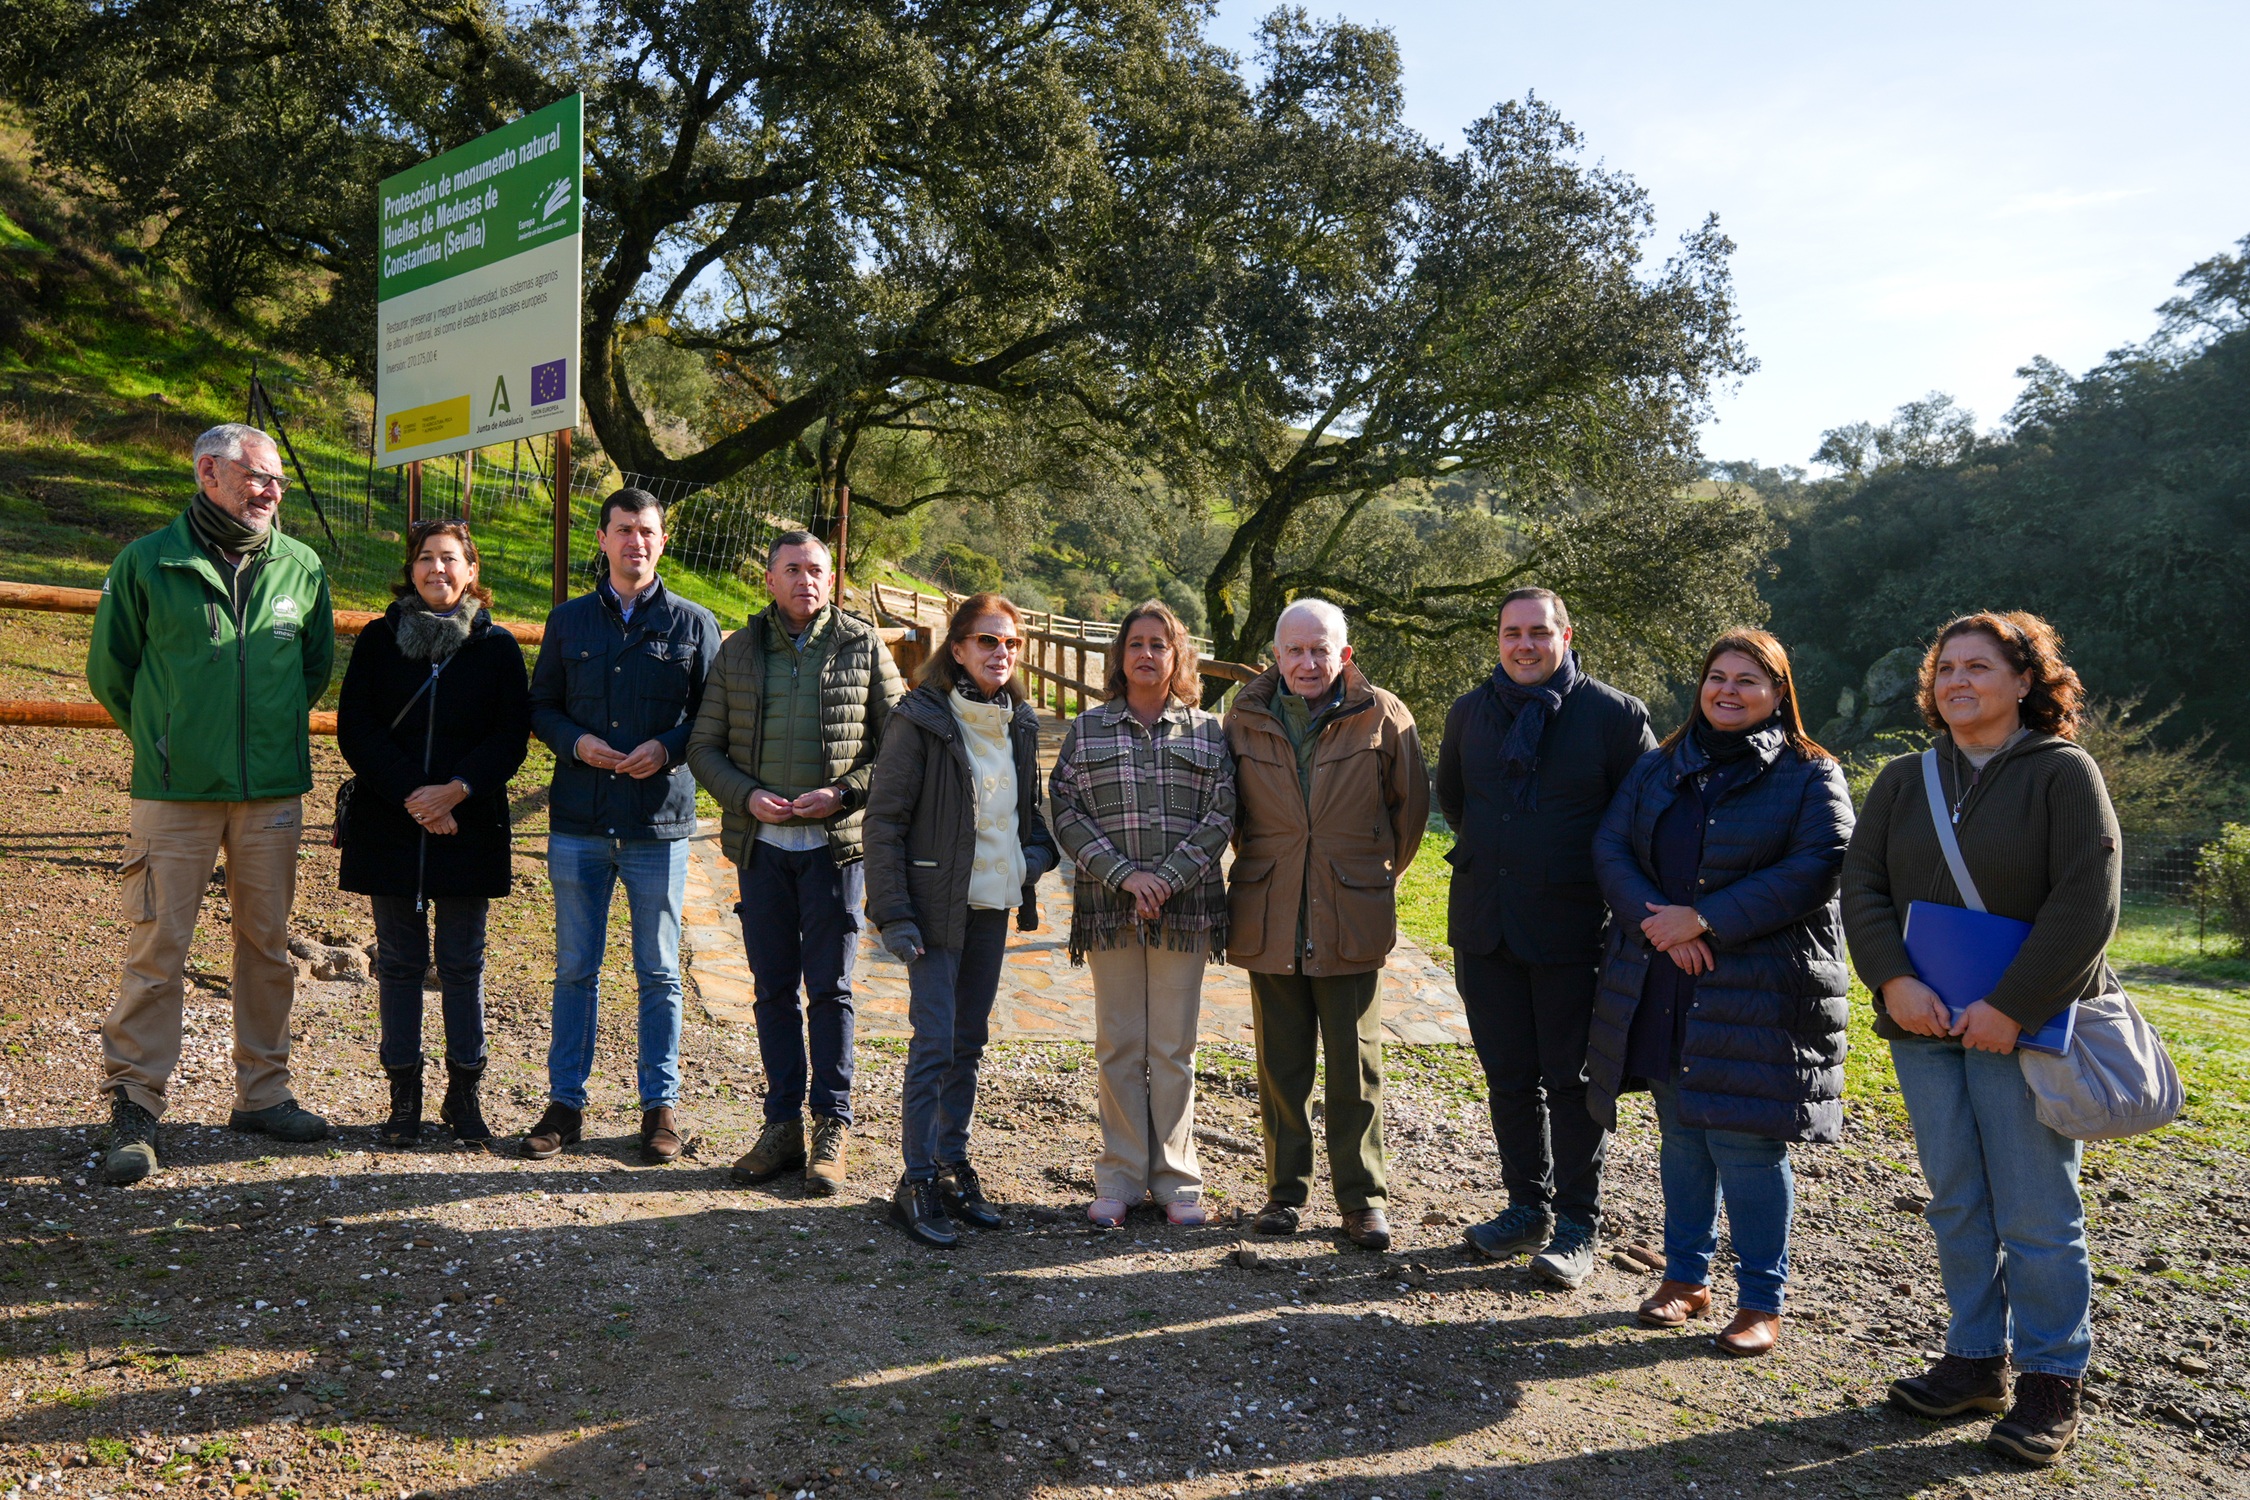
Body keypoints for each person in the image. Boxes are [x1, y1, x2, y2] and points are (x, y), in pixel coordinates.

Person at [1842, 612, 2118, 1468]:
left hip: (2022, 1031)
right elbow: (1864, 885)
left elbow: (2088, 901)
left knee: (2038, 1212)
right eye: (1946, 669)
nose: (1957, 681)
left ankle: (2049, 1380)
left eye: (1980, 667)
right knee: (1956, 1200)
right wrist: (1894, 980)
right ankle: (1972, 1361)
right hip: (1924, 1026)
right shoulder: (1901, 777)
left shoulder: (2064, 775)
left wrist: (2012, 1005)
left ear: (2025, 680)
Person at [1583, 630, 1854, 1357]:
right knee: (1682, 1135)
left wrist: (1705, 919)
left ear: (1779, 694)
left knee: (1747, 1146)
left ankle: (1762, 1301)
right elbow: (1611, 848)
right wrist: (1662, 927)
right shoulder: (1660, 766)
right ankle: (1685, 1279)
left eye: (1747, 681)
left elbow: (1819, 865)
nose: (1727, 691)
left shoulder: (1811, 774)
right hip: (1665, 977)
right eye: (1716, 677)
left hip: (1758, 991)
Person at [87, 422, 338, 1184]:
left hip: (270, 797)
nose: (271, 492)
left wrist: (261, 745)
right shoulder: (148, 563)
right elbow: (112, 672)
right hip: (176, 796)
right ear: (209, 474)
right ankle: (135, 1106)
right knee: (157, 951)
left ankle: (262, 1095)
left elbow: (313, 671)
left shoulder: (301, 566)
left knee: (266, 948)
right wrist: (170, 741)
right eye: (259, 476)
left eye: (279, 483)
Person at [1436, 587, 1654, 1287]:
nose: (1523, 645)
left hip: (1572, 929)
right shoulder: (1471, 712)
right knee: (1507, 1078)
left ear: (1565, 635)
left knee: (1571, 1080)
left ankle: (1578, 1224)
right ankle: (1524, 1207)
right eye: (1511, 633)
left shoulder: (1614, 717)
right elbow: (1457, 802)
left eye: (1537, 632)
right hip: (1484, 923)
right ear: (1497, 639)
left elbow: (1644, 818)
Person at [687, 530, 904, 1196]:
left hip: (835, 851)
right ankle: (781, 1125)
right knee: (772, 989)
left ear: (831, 580)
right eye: (792, 569)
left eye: (816, 570)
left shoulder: (862, 645)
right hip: (764, 850)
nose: (806, 580)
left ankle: (831, 1126)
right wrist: (747, 796)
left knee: (831, 989)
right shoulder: (741, 652)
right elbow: (704, 747)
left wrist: (842, 793)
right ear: (770, 580)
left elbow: (897, 740)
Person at [523, 489, 720, 1164]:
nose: (636, 541)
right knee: (576, 968)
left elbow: (712, 719)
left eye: (648, 531)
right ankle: (565, 1104)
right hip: (579, 821)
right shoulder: (569, 622)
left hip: (656, 824)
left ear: (662, 542)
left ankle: (658, 1108)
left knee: (659, 971)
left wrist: (667, 747)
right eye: (624, 530)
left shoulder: (695, 625)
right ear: (602, 539)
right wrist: (575, 744)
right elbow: (541, 705)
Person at [1225, 598, 1427, 1251]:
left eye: (1321, 650)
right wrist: (1271, 865)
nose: (1308, 662)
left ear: (1344, 654)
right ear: (1276, 656)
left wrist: (1370, 874)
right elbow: (1227, 811)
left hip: (1350, 912)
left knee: (1354, 1065)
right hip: (1270, 907)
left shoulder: (1385, 715)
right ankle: (1285, 1195)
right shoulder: (1244, 718)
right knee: (1280, 1066)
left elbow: (1411, 812)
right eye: (1295, 650)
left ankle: (1362, 1200)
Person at [864, 593, 1057, 1247]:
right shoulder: (920, 719)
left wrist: (1028, 862)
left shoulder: (1020, 723)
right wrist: (893, 913)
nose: (1000, 653)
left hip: (991, 909)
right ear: (958, 648)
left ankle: (951, 1165)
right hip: (933, 911)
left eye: (1010, 643)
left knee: (968, 1044)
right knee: (934, 1044)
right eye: (986, 641)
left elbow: (1032, 820)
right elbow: (884, 822)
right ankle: (913, 1181)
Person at [336, 520, 531, 1147]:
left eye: (450, 559)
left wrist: (456, 791)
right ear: (410, 569)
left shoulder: (496, 648)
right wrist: (415, 798)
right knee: (397, 964)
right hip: (391, 824)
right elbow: (357, 729)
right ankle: (403, 1100)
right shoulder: (377, 640)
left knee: (462, 965)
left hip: (466, 826)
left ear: (471, 571)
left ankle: (464, 1096)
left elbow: (509, 736)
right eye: (425, 558)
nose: (437, 569)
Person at [1050, 601, 1235, 1228]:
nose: (1147, 654)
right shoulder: (1087, 730)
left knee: (1173, 1048)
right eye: (1136, 643)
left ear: (1177, 655)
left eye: (1160, 644)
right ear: (1119, 656)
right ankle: (1123, 1177)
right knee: (1121, 1045)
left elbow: (1222, 814)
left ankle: (1178, 1179)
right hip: (1111, 909)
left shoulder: (1210, 733)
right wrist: (1127, 877)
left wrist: (1169, 879)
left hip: (1186, 910)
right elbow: (1066, 808)